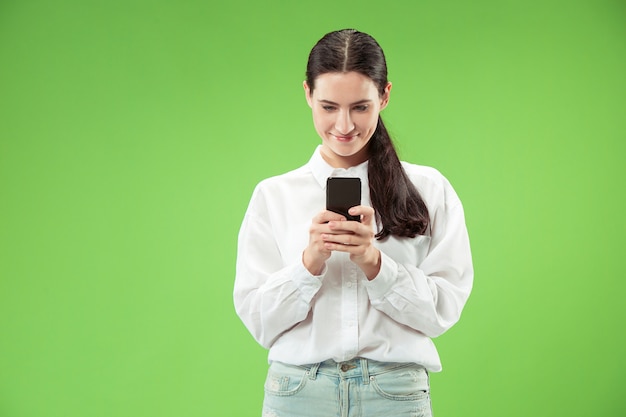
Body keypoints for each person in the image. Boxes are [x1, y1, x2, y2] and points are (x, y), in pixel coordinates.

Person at [234, 28, 473, 417]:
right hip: (298, 392)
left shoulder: (429, 189)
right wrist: (309, 262)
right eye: (329, 107)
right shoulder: (273, 196)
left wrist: (375, 264)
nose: (344, 126)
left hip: (394, 392)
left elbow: (443, 311)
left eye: (360, 107)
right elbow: (260, 321)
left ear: (385, 95)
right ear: (308, 94)